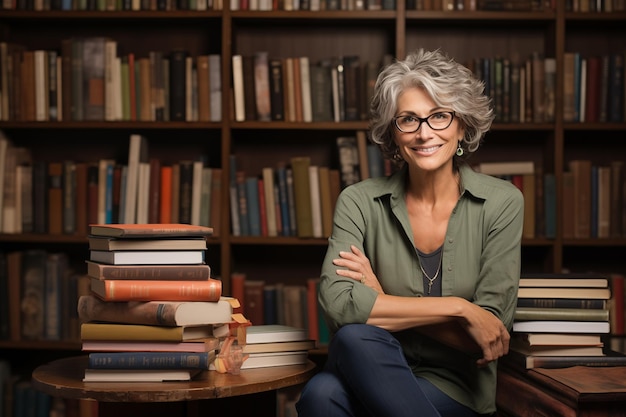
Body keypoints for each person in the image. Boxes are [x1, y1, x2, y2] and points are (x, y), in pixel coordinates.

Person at [296, 48, 524, 417]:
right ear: (393, 132)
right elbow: (338, 307)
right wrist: (459, 309)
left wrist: (382, 300)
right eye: (409, 120)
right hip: (365, 366)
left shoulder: (502, 203)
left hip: (455, 387)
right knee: (353, 339)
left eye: (439, 116)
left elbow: (487, 337)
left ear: (462, 125)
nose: (424, 133)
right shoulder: (359, 201)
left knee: (322, 394)